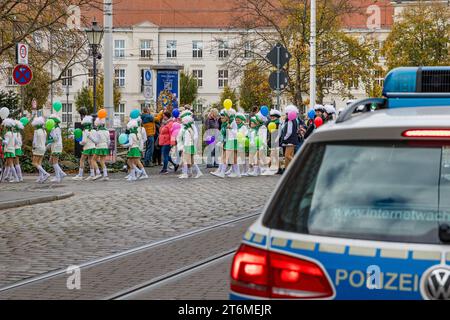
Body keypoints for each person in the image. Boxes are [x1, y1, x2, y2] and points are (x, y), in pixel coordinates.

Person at [73, 116, 97, 181]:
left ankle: (80, 175)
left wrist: (80, 142)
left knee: (82, 160)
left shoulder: (84, 131)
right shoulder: (94, 131)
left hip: (87, 148)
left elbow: (84, 141)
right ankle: (92, 175)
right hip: (93, 147)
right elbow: (96, 141)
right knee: (90, 161)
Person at [178, 111, 200, 179]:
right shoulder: (188, 129)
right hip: (189, 146)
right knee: (190, 160)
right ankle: (191, 172)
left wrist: (183, 147)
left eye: (182, 120)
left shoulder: (187, 130)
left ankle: (185, 173)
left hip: (187, 146)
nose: (181, 121)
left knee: (185, 160)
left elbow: (187, 140)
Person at [47, 114, 67, 183]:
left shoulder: (55, 129)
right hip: (56, 146)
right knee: (52, 161)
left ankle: (58, 177)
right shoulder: (56, 128)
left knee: (54, 162)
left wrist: (48, 141)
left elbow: (55, 138)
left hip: (56, 146)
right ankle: (61, 173)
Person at [280, 105, 300, 170]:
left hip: (290, 141)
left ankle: (298, 165)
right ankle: (287, 169)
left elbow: (289, 132)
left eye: (286, 114)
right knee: (289, 156)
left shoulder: (290, 121)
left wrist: (284, 138)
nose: (285, 115)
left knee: (287, 155)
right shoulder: (295, 120)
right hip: (293, 140)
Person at [32, 117, 50, 183]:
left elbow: (34, 141)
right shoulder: (44, 131)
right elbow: (45, 141)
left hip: (37, 148)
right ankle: (41, 177)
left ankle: (45, 174)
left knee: (34, 163)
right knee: (39, 163)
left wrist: (33, 147)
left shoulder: (36, 131)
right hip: (43, 148)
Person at [93, 117, 110, 181]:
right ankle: (105, 175)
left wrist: (90, 137)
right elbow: (109, 141)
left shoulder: (98, 132)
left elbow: (96, 141)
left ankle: (98, 173)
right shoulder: (107, 131)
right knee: (102, 161)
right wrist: (106, 146)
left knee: (93, 160)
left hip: (99, 147)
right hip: (105, 147)